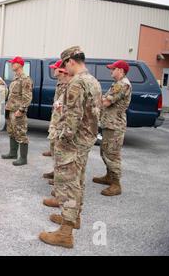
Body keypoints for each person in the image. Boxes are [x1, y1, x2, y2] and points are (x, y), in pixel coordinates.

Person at [39, 46, 102, 248]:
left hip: (73, 142)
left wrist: (62, 141)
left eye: (65, 64)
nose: (65, 68)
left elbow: (73, 117)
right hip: (86, 139)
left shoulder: (77, 83)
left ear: (70, 61)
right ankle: (74, 218)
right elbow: (94, 113)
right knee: (78, 181)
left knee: (68, 185)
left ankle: (65, 233)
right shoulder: (93, 81)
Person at [94, 60, 132, 196]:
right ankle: (109, 176)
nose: (111, 71)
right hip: (109, 124)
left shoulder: (123, 85)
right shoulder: (117, 84)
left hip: (115, 126)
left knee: (112, 154)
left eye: (113, 69)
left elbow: (106, 102)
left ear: (121, 70)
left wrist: (92, 100)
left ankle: (116, 184)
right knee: (104, 151)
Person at [42, 60, 71, 183]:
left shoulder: (69, 85)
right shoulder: (60, 83)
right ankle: (56, 172)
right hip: (56, 120)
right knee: (55, 149)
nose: (53, 70)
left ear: (62, 71)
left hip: (63, 122)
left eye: (55, 68)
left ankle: (61, 177)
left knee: (61, 152)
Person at [1, 56, 33, 166]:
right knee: (12, 132)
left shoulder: (25, 79)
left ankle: (23, 158)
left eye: (13, 63)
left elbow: (27, 96)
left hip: (18, 111)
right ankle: (13, 153)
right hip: (11, 109)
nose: (11, 65)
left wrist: (22, 110)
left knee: (21, 133)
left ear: (19, 64)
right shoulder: (16, 78)